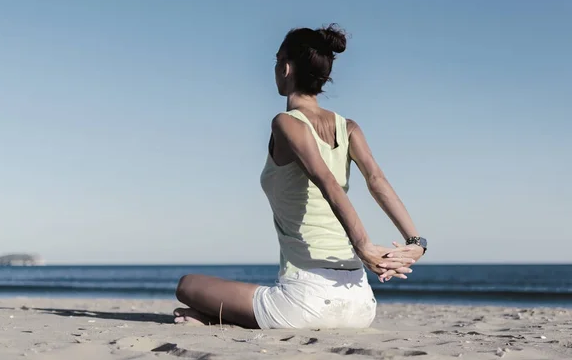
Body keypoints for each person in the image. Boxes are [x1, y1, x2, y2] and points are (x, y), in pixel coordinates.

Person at [173, 24, 427, 329]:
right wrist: (416, 241)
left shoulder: (285, 123)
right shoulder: (349, 127)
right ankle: (218, 318)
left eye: (277, 61)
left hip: (307, 302)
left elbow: (326, 182)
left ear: (286, 67)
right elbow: (377, 181)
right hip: (361, 304)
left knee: (187, 286)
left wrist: (364, 246)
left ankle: (218, 317)